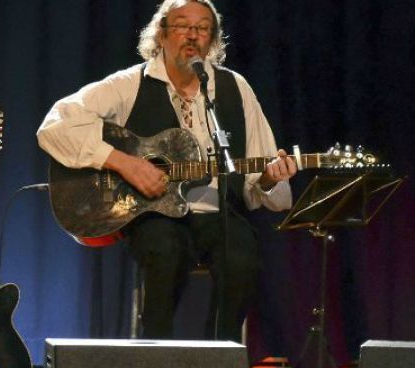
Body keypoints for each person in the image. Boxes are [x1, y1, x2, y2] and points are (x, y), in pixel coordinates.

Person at [37, 0, 297, 342]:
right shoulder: (129, 84)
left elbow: (257, 176)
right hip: (154, 215)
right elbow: (56, 124)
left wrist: (268, 178)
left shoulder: (235, 88)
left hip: (217, 215)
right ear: (161, 34)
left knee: (242, 259)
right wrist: (124, 163)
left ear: (212, 39)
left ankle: (219, 358)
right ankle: (155, 358)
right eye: (182, 25)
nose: (192, 35)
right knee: (165, 251)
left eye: (202, 28)